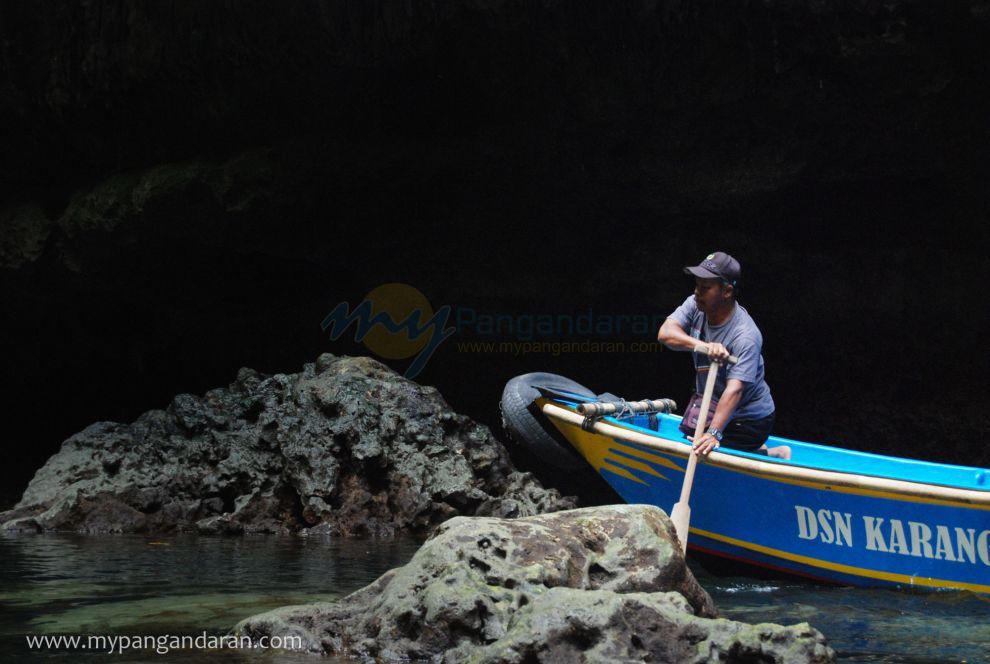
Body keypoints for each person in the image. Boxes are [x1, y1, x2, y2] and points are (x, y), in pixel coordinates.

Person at [657, 252, 790, 460]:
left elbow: (735, 389)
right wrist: (704, 346)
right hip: (713, 402)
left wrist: (713, 434)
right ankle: (765, 452)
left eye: (705, 287)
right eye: (697, 284)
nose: (697, 292)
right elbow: (665, 334)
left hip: (750, 419)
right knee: (693, 437)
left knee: (703, 449)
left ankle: (770, 454)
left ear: (727, 291)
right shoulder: (695, 304)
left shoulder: (746, 336)